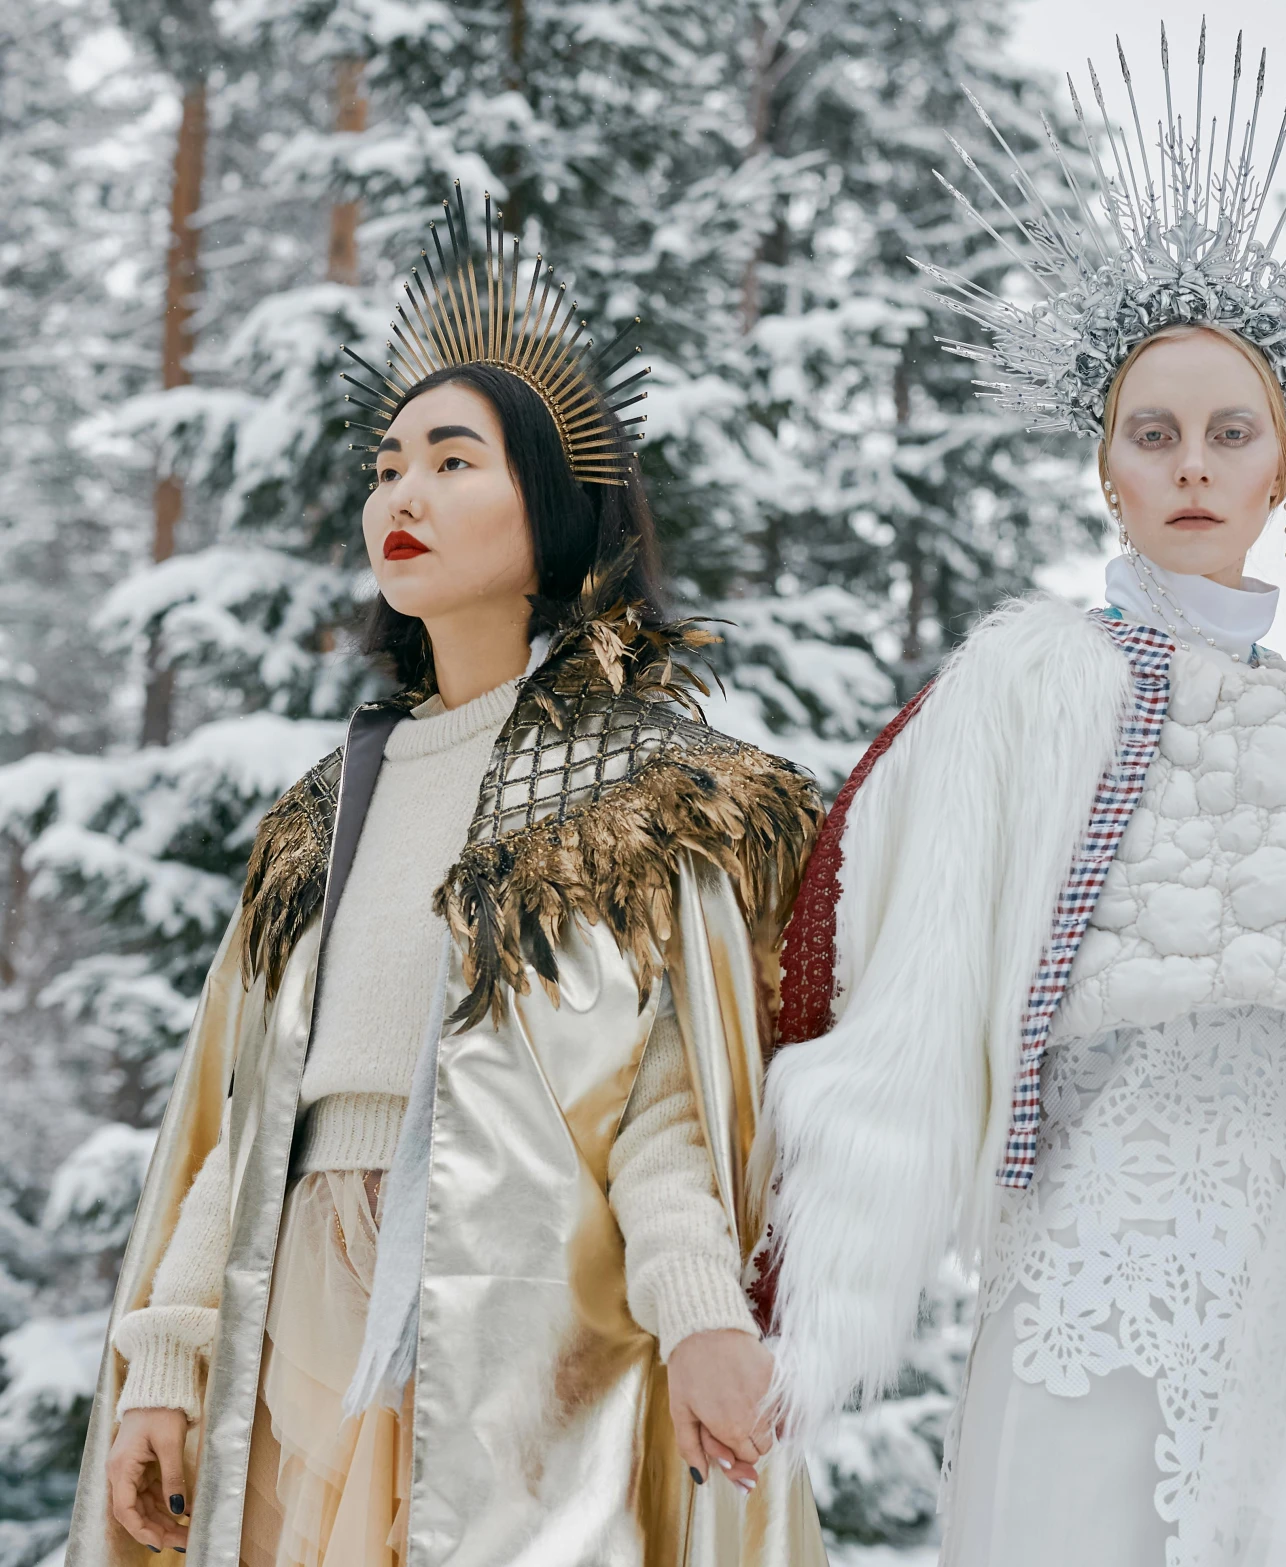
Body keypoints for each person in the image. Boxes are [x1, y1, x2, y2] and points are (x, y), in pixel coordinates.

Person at [748, 30, 1286, 1567]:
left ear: (1280, 472)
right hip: (1105, 1225)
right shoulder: (1028, 683)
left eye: (1229, 432)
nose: (1192, 464)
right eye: (1154, 433)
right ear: (1108, 472)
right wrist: (806, 1290)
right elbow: (915, 982)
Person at [68, 192, 829, 1566]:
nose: (400, 495)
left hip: (523, 1345)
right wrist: (169, 1366)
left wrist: (706, 1311)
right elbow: (242, 1124)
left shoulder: (650, 800)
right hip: (292, 1333)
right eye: (386, 463)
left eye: (452, 459)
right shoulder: (322, 814)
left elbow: (667, 1114)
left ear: (553, 500)